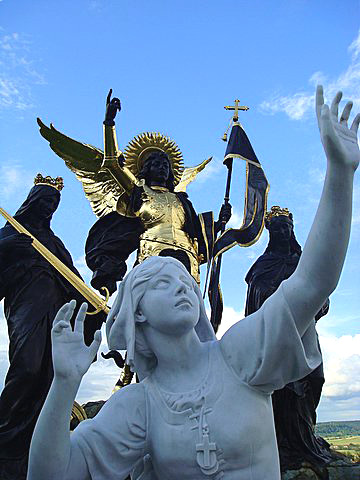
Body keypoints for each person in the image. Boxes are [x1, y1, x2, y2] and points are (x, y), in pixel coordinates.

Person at [27, 87, 359, 480]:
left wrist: (340, 173)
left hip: (187, 253)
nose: (182, 286)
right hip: (150, 250)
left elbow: (311, 283)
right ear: (137, 312)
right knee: (162, 269)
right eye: (163, 286)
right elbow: (54, 473)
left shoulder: (240, 357)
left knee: (180, 267)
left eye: (181, 283)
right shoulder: (139, 408)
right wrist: (64, 383)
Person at [0, 175, 103, 480]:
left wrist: (94, 306)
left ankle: (38, 447)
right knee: (28, 368)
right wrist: (8, 250)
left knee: (49, 376)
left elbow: (74, 282)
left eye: (53, 204)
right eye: (44, 201)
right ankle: (7, 445)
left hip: (57, 317)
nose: (47, 208)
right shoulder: (11, 235)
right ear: (31, 200)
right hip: (26, 311)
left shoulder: (54, 244)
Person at [85, 91, 231, 295]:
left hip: (188, 257)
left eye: (165, 165)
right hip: (153, 251)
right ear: (145, 169)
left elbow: (198, 234)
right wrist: (109, 124)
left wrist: (219, 224)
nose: (161, 167)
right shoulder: (138, 191)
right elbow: (111, 163)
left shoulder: (181, 200)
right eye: (155, 163)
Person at [245, 206, 332, 471]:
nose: (283, 231)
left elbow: (322, 294)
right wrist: (275, 295)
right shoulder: (262, 266)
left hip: (304, 332)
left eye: (287, 227)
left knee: (314, 380)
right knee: (283, 389)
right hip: (275, 336)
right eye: (278, 227)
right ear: (270, 232)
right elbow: (255, 299)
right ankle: (282, 442)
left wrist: (317, 303)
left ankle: (306, 439)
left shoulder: (303, 263)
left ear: (292, 230)